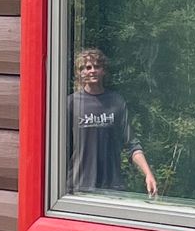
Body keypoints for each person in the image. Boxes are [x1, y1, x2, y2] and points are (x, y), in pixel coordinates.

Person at [68, 46, 159, 198]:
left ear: (103, 71)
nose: (92, 71)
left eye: (97, 66)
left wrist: (148, 174)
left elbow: (132, 144)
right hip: (79, 187)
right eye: (87, 67)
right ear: (80, 73)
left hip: (112, 188)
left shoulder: (116, 101)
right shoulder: (71, 104)